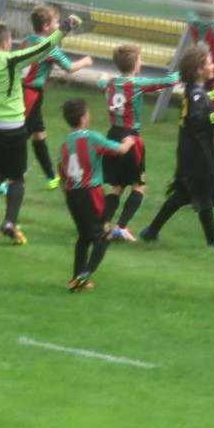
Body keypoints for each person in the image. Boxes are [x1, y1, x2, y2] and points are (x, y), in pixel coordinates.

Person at [0, 8, 72, 242]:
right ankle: (9, 221)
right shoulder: (12, 60)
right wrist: (65, 30)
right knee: (17, 177)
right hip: (12, 127)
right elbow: (43, 48)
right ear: (7, 43)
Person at [137, 45, 214, 251]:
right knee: (204, 197)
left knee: (182, 196)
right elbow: (196, 121)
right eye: (209, 62)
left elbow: (200, 101)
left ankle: (151, 231)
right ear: (199, 69)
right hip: (198, 155)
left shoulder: (195, 91)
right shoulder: (196, 94)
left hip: (190, 152)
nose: (213, 65)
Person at [97, 43, 181, 242]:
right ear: (135, 64)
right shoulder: (136, 84)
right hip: (131, 139)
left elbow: (101, 85)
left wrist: (100, 79)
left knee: (117, 186)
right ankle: (121, 226)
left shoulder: (111, 83)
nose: (141, 62)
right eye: (140, 59)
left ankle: (103, 226)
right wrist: (184, 72)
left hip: (113, 135)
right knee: (138, 185)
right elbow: (166, 81)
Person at [55, 98, 136, 292]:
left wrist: (68, 196)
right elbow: (120, 150)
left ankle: (76, 277)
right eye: (88, 113)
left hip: (72, 194)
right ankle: (85, 275)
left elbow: (62, 174)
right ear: (83, 118)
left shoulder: (65, 144)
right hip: (91, 194)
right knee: (104, 237)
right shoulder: (91, 138)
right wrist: (130, 140)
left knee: (84, 236)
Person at [21, 3, 92, 193]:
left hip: (24, 91)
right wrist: (85, 62)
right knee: (21, 138)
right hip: (31, 94)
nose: (59, 25)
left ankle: (51, 177)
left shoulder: (27, 41)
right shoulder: (49, 48)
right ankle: (7, 179)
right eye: (56, 22)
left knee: (39, 135)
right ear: (46, 27)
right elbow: (69, 67)